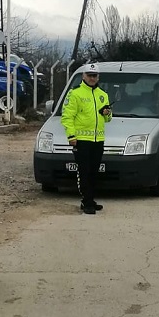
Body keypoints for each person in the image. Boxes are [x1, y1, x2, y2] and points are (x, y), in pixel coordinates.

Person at [62, 63, 113, 214]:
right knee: (84, 171)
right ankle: (86, 201)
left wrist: (107, 113)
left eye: (95, 76)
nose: (92, 78)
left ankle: (90, 199)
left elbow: (109, 119)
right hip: (81, 140)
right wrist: (71, 136)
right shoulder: (75, 93)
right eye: (90, 75)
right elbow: (67, 117)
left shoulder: (103, 94)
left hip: (98, 140)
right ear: (83, 76)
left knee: (94, 172)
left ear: (98, 77)